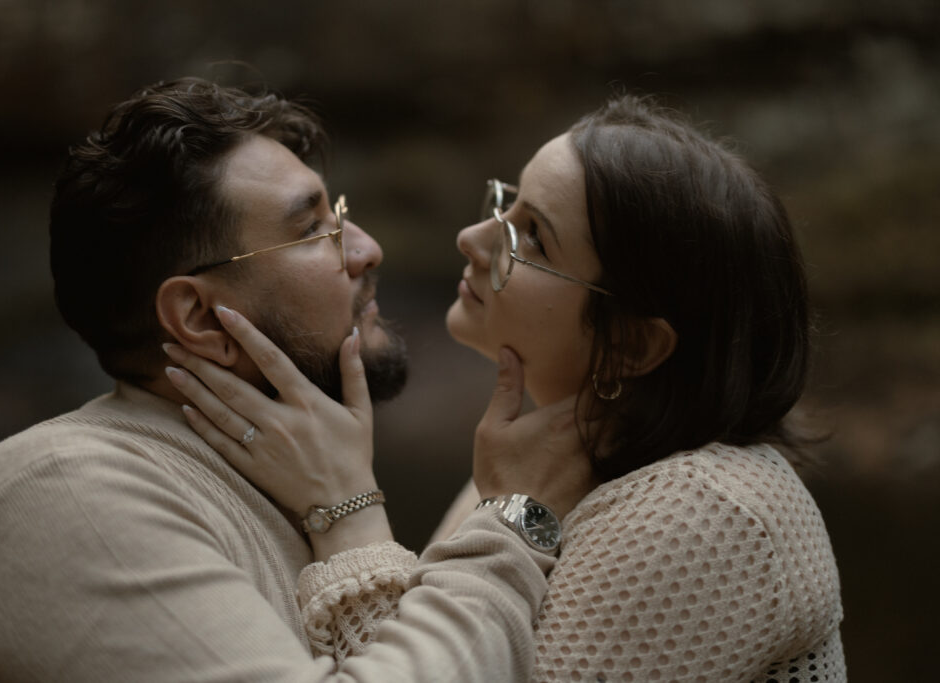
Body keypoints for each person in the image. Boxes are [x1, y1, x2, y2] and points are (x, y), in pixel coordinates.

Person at [0, 77, 595, 682]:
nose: (366, 248)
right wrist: (515, 524)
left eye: (339, 213)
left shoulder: (293, 476)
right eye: (313, 231)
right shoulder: (63, 490)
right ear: (198, 316)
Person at [171, 95, 847, 681]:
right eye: (506, 204)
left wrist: (347, 510)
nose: (471, 237)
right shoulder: (532, 460)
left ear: (634, 344)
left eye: (531, 238)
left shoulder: (704, 510)